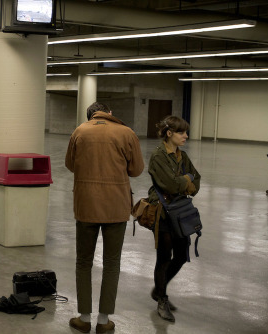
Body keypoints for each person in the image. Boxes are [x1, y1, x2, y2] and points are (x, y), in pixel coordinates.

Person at [65, 102, 144, 333]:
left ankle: (84, 318)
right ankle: (103, 321)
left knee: (83, 262)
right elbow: (137, 170)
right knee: (111, 264)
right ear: (110, 113)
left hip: (86, 205)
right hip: (116, 207)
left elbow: (70, 164)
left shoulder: (79, 131)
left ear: (89, 116)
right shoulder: (126, 133)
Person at [147, 116, 201, 322]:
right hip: (162, 211)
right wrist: (186, 180)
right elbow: (170, 185)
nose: (186, 136)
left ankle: (158, 290)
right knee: (164, 257)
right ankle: (162, 298)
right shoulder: (158, 156)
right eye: (182, 132)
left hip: (180, 210)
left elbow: (197, 178)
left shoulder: (182, 156)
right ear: (169, 134)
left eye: (186, 132)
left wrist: (186, 181)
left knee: (181, 255)